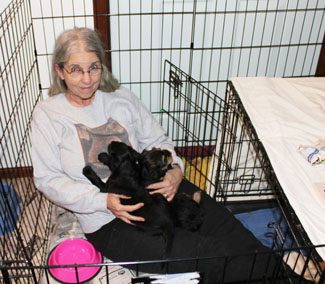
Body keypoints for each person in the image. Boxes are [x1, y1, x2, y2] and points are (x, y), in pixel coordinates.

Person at [31, 27, 311, 284]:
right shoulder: (48, 115)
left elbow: (157, 140)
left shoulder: (122, 98)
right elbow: (47, 179)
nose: (87, 79)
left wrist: (176, 169)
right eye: (76, 70)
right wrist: (103, 201)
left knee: (232, 232)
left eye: (93, 68)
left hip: (158, 191)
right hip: (111, 220)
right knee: (212, 254)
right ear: (60, 71)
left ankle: (285, 275)